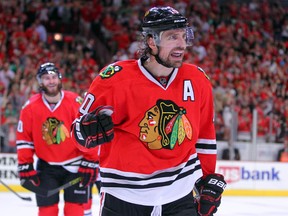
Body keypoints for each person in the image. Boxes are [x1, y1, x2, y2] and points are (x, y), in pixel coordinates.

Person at [71, 6, 226, 216]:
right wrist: (84, 133)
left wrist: (207, 178)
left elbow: (205, 136)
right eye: (172, 37)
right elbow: (79, 133)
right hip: (124, 195)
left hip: (180, 194)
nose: (181, 44)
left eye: (184, 36)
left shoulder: (197, 80)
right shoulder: (114, 80)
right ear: (152, 41)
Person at [16, 62, 98, 216]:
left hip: (76, 166)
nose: (51, 81)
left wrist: (91, 160)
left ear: (60, 79)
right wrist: (25, 164)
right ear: (40, 82)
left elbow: (89, 133)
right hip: (47, 167)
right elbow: (24, 139)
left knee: (74, 211)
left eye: (54, 77)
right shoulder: (30, 107)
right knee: (47, 211)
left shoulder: (75, 102)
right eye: (46, 78)